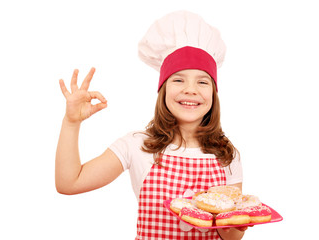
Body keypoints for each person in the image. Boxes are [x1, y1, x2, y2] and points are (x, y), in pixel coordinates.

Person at [56, 11, 246, 239]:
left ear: (213, 94)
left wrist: (230, 222)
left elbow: (231, 236)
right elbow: (69, 183)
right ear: (163, 90)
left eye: (202, 81)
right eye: (178, 79)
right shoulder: (137, 145)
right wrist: (71, 122)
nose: (191, 89)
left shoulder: (227, 154)